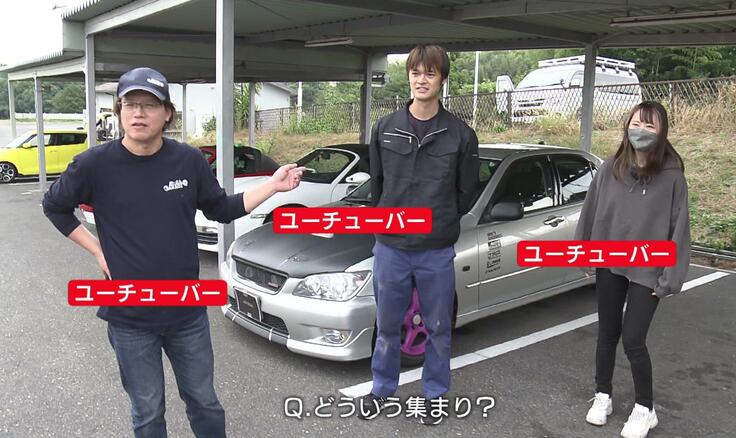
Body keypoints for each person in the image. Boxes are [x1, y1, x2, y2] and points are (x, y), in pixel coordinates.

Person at [42, 67, 304, 438]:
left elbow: (221, 208)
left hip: (186, 313)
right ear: (119, 111)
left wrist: (272, 186)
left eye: (149, 105)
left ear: (167, 113)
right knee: (148, 411)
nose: (138, 113)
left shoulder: (188, 160)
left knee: (204, 402)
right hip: (129, 317)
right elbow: (54, 206)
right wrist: (98, 250)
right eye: (130, 104)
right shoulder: (94, 165)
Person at [360, 45, 480, 425]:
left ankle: (435, 395)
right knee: (387, 326)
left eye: (430, 73)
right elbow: (377, 185)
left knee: (439, 328)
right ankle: (381, 388)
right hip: (391, 248)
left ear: (442, 79)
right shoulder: (385, 128)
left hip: (435, 250)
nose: (421, 80)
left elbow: (466, 192)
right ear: (409, 76)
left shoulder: (460, 135)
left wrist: (438, 221)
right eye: (415, 72)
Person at [575, 101, 691, 438]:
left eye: (650, 126)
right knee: (607, 332)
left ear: (662, 133)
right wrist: (584, 253)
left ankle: (645, 409)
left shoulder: (672, 177)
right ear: (627, 126)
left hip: (648, 267)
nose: (641, 130)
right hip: (610, 261)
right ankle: (603, 395)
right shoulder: (610, 168)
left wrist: (670, 278)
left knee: (634, 339)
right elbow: (590, 210)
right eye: (637, 123)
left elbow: (680, 229)